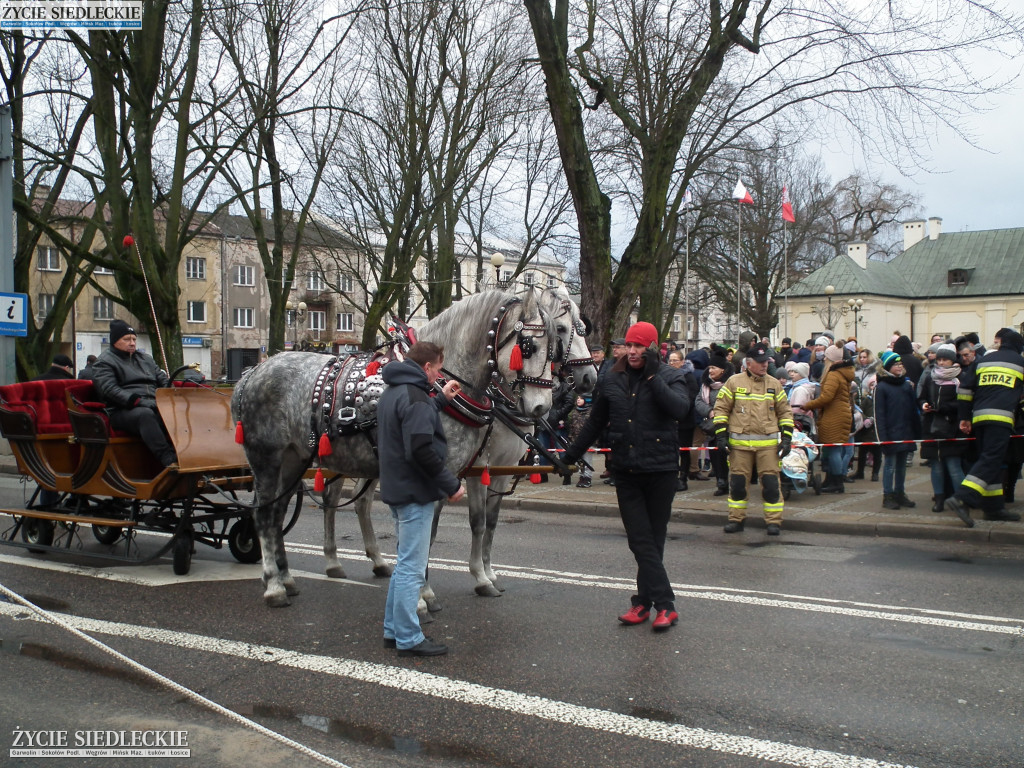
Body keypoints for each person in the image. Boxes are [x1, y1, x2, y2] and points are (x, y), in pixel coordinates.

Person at [562, 321, 690, 631]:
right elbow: (595, 423)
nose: (631, 351)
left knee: (652, 540)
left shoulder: (672, 376)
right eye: (629, 346)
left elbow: (680, 410)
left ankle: (646, 603)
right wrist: (568, 457)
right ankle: (665, 604)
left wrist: (651, 377)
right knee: (640, 540)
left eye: (638, 346)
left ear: (652, 348)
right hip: (626, 469)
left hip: (660, 470)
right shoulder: (613, 379)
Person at [377, 341, 465, 656]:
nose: (439, 375)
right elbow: (420, 449)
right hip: (415, 491)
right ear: (427, 367)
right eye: (439, 370)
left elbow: (414, 418)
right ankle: (408, 638)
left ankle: (393, 630)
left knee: (404, 565)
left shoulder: (396, 391)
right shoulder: (414, 397)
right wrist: (450, 483)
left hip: (399, 488)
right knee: (413, 568)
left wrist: (442, 400)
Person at [713, 344, 794, 536]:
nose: (765, 364)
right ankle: (736, 519)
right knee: (738, 485)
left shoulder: (774, 384)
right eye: (760, 362)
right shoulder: (733, 382)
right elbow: (721, 409)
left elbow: (785, 412)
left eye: (766, 361)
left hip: (767, 446)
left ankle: (774, 522)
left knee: (772, 484)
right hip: (740, 447)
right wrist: (721, 436)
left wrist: (787, 438)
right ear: (749, 364)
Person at [946, 328, 1024, 526]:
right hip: (1001, 420)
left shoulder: (982, 360)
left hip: (979, 419)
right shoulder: (1020, 363)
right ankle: (962, 497)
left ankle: (993, 508)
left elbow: (964, 388)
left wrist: (964, 417)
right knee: (991, 459)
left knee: (992, 461)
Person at [92, 319, 177, 468]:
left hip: (154, 405)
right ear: (115, 341)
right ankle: (168, 459)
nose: (132, 343)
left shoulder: (146, 359)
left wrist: (170, 394)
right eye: (126, 339)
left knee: (178, 412)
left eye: (133, 339)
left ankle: (191, 454)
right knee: (145, 415)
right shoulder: (104, 362)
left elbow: (163, 380)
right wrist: (138, 401)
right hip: (121, 411)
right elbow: (109, 389)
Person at [918, 343, 967, 512]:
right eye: (939, 359)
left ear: (952, 361)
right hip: (932, 427)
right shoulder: (930, 377)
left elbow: (963, 403)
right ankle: (939, 499)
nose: (941, 362)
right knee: (936, 467)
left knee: (954, 467)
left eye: (945, 359)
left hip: (951, 427)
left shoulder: (960, 379)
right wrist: (924, 404)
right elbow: (921, 396)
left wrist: (945, 408)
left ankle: (961, 500)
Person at [803, 344, 855, 493]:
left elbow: (826, 397)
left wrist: (808, 405)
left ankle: (837, 482)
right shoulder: (843, 373)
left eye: (827, 356)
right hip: (840, 413)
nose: (824, 358)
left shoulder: (833, 374)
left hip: (834, 415)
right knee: (834, 449)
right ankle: (831, 480)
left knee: (833, 450)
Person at [874, 351, 921, 509]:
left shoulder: (906, 385)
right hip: (890, 433)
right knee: (890, 466)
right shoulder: (882, 387)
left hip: (905, 431)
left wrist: (916, 430)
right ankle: (888, 495)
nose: (899, 367)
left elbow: (913, 410)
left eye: (901, 364)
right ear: (887, 367)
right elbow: (879, 414)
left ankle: (900, 493)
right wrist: (883, 438)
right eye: (896, 364)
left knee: (902, 466)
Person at [692, 350, 732, 494]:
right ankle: (721, 482)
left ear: (723, 370)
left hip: (731, 425)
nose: (711, 370)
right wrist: (710, 411)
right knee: (716, 452)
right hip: (713, 425)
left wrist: (723, 412)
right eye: (710, 367)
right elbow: (698, 401)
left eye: (714, 368)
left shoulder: (731, 383)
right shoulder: (705, 385)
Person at [667, 349, 699, 491]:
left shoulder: (688, 377)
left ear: (682, 362)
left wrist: (679, 408)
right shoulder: (666, 376)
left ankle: (683, 477)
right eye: (670, 360)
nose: (672, 363)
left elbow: (692, 397)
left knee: (684, 450)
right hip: (669, 420)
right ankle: (671, 477)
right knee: (671, 450)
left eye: (675, 360)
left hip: (685, 420)